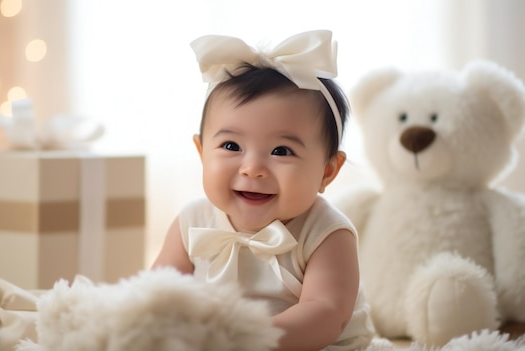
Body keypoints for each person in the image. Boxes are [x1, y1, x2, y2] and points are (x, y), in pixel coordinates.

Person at [152, 30, 375, 351]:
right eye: (231, 146)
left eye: (281, 151)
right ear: (202, 153)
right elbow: (158, 291)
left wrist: (246, 339)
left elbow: (326, 314)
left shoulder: (327, 232)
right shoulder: (192, 220)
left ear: (327, 171)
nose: (252, 168)